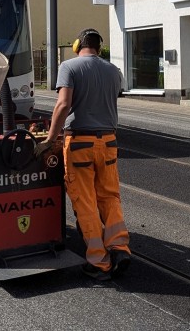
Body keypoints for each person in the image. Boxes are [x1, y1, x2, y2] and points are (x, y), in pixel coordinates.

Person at [37, 28, 130, 281]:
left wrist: (50, 138)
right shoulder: (114, 71)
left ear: (78, 44)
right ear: (99, 47)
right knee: (110, 195)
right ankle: (119, 248)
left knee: (85, 200)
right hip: (109, 142)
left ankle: (99, 262)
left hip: (80, 142)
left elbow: (63, 104)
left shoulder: (69, 66)